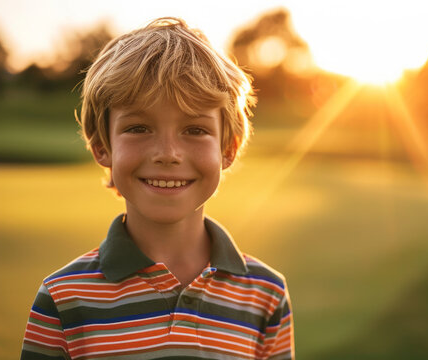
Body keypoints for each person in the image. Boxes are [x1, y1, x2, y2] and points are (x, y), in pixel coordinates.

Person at [21, 17, 294, 359]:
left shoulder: (266, 294)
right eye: (138, 128)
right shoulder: (63, 298)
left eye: (195, 130)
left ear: (229, 149)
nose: (167, 154)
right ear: (102, 147)